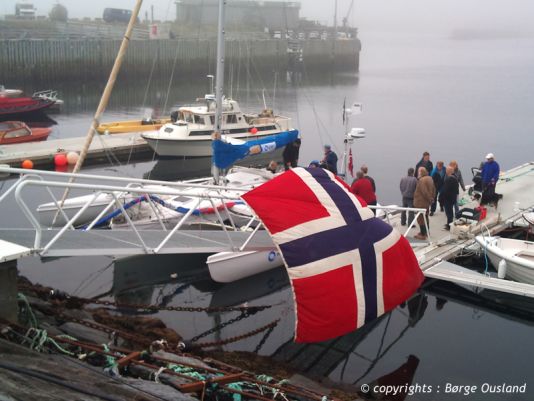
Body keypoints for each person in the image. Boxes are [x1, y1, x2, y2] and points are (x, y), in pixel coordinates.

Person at [413, 167, 435, 240]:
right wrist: (432, 198)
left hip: (420, 202)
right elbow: (434, 189)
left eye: (419, 172)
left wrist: (430, 199)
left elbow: (424, 192)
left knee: (420, 218)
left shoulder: (422, 180)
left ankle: (423, 234)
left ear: (421, 172)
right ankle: (426, 232)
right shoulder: (430, 178)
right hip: (426, 203)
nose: (418, 173)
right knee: (425, 217)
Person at [439, 166, 459, 230]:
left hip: (448, 199)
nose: (446, 171)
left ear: (449, 171)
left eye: (447, 170)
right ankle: (449, 223)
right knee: (449, 212)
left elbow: (445, 190)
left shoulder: (449, 179)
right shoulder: (455, 177)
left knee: (449, 212)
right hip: (452, 198)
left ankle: (449, 225)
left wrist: (441, 198)